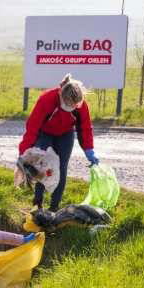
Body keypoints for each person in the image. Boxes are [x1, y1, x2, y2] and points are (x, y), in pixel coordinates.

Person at [19, 73, 98, 212]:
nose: (72, 107)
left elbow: (85, 128)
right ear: (61, 95)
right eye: (69, 105)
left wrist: (89, 150)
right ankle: (37, 203)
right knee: (44, 165)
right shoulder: (47, 99)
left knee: (61, 169)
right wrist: (24, 152)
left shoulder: (80, 104)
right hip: (45, 133)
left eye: (75, 105)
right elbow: (32, 128)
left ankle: (54, 208)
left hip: (65, 135)